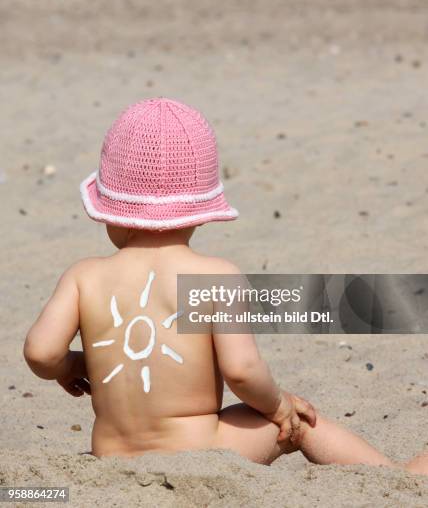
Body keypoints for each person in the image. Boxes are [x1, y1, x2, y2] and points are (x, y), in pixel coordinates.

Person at [23, 98, 427, 473]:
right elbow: (242, 371)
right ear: (200, 214)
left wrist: (74, 364)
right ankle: (396, 478)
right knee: (302, 423)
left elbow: (41, 352)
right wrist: (280, 404)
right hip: (200, 451)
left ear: (110, 213)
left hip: (111, 455)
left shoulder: (84, 275)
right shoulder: (214, 277)